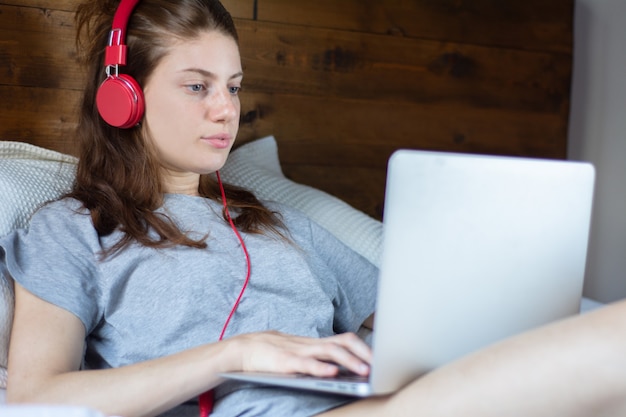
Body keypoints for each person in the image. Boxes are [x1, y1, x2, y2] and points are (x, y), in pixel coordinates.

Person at [3, 1, 626, 417]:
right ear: (124, 99)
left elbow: (401, 318)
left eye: (234, 88)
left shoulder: (278, 224)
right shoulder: (74, 229)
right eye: (198, 87)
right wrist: (235, 354)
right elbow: (36, 396)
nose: (226, 110)